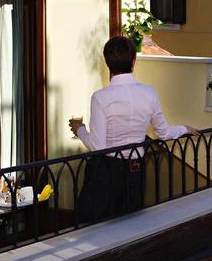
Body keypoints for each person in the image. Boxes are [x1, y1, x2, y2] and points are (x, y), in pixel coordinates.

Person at [69, 36, 198, 221]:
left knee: (99, 223)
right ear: (133, 62)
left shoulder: (100, 97)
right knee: (130, 222)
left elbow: (98, 145)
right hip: (136, 168)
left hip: (107, 169)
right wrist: (184, 128)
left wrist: (79, 129)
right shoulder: (149, 92)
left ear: (107, 62)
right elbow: (164, 133)